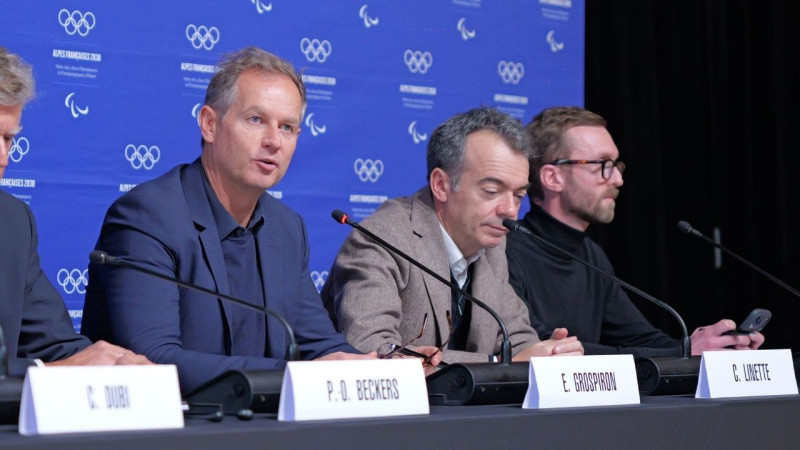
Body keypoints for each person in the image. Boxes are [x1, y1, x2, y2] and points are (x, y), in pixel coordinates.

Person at [81, 47, 380, 393]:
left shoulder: (286, 228)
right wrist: (295, 374)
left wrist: (388, 365)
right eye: (256, 120)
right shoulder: (147, 216)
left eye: (287, 127)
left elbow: (321, 346)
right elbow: (153, 359)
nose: (273, 141)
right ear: (210, 124)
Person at [322, 107, 583, 364]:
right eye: (492, 191)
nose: (510, 211)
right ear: (441, 185)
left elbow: (516, 339)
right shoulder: (383, 238)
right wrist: (497, 363)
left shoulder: (492, 244)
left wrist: (549, 354)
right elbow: (372, 349)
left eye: (518, 195)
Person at [506, 106, 765, 357]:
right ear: (553, 178)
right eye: (602, 164)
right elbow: (543, 350)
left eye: (616, 165)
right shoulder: (507, 253)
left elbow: (640, 338)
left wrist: (710, 349)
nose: (618, 180)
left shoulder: (591, 255)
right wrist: (683, 352)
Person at [0, 47, 149, 375]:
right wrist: (53, 371)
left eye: (8, 138)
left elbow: (52, 344)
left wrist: (112, 362)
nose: (3, 156)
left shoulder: (12, 222)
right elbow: (54, 364)